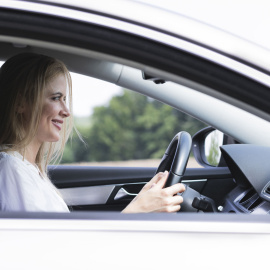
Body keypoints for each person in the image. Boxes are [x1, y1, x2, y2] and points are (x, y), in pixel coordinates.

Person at [0, 53, 185, 213]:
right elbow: (47, 249)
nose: (66, 111)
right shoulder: (12, 168)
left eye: (65, 99)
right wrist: (137, 211)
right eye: (56, 98)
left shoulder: (29, 170)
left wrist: (139, 203)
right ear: (20, 103)